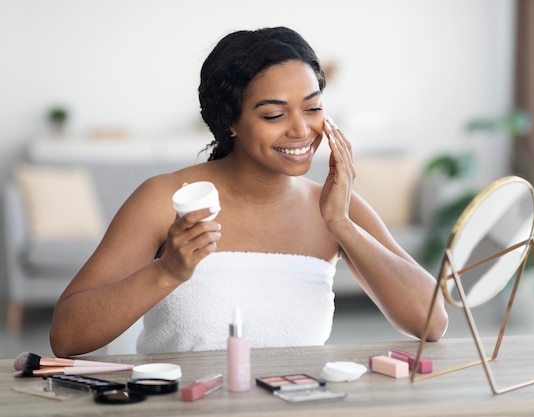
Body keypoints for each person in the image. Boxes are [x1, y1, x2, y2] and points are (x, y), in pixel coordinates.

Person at [50, 26, 448, 357]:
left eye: (312, 108)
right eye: (274, 114)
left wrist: (341, 225)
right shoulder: (163, 199)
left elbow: (431, 323)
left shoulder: (335, 208)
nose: (301, 130)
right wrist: (167, 271)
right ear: (231, 123)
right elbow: (66, 337)